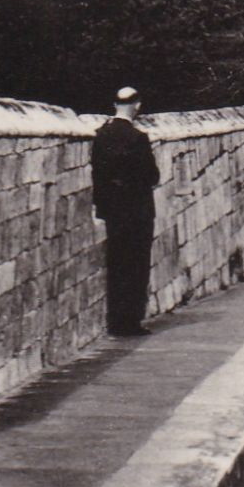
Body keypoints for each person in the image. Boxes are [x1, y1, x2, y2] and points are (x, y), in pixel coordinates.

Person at [91, 86, 161, 336]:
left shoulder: (101, 135)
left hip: (113, 211)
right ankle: (130, 321)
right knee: (136, 265)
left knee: (117, 263)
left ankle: (115, 320)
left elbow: (98, 175)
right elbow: (152, 175)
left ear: (114, 104)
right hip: (137, 211)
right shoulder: (137, 138)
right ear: (137, 106)